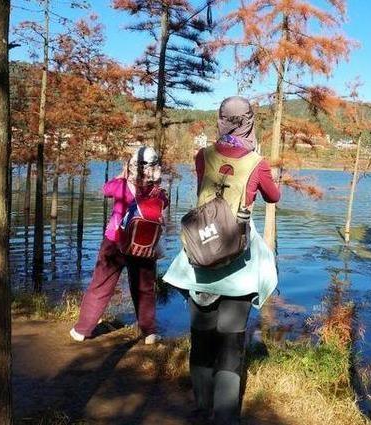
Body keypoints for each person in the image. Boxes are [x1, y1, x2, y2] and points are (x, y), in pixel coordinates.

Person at [164, 96, 281, 424]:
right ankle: (226, 416)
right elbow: (274, 196)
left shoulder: (203, 156)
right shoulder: (257, 163)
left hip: (200, 256)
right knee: (231, 344)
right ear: (248, 120)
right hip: (237, 266)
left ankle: (202, 408)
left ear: (221, 118)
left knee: (201, 339)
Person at [70, 146, 168, 345]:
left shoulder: (121, 185)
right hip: (144, 246)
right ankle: (149, 332)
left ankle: (82, 329)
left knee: (101, 284)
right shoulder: (159, 193)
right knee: (144, 289)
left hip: (115, 241)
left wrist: (122, 175)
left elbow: (105, 189)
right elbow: (163, 205)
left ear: (132, 166)